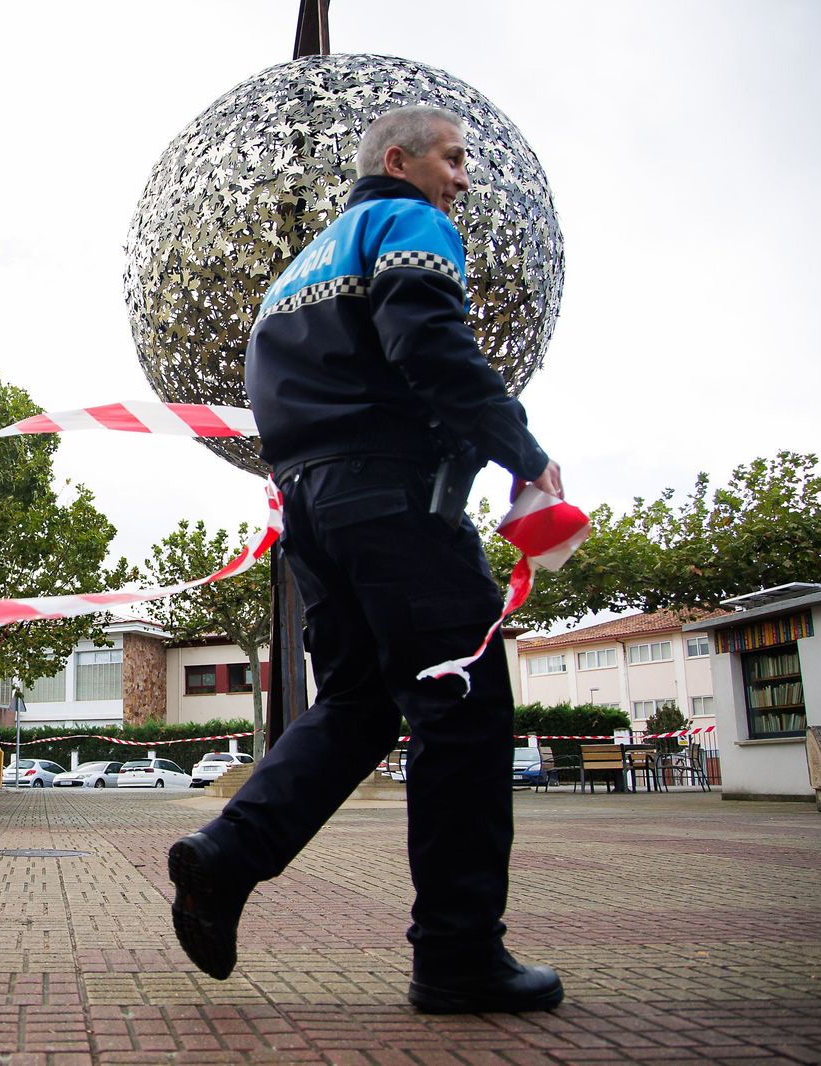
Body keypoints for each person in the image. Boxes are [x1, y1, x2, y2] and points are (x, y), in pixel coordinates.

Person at [167, 105, 565, 1014]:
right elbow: (428, 343)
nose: (463, 179)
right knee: (460, 714)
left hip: (310, 509)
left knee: (355, 705)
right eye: (453, 159)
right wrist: (522, 452)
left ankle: (225, 858)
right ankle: (460, 956)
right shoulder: (409, 222)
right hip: (396, 501)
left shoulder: (295, 274)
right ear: (399, 159)